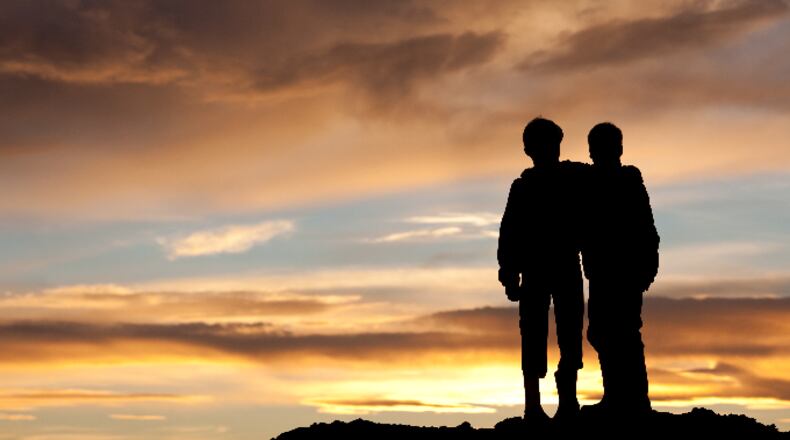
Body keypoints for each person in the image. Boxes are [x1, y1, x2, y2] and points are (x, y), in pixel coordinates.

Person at [497, 117, 587, 423]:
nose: (550, 150)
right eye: (544, 144)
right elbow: (510, 232)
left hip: (565, 265)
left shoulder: (574, 177)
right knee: (533, 334)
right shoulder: (522, 188)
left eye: (553, 143)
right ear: (529, 149)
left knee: (570, 332)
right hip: (535, 269)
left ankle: (568, 402)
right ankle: (533, 405)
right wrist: (509, 272)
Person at [581, 122, 659, 417]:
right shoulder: (589, 179)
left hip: (626, 271)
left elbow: (646, 225)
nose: (596, 153)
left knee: (623, 331)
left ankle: (635, 400)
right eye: (594, 147)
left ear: (618, 149)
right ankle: (616, 396)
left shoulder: (629, 178)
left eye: (602, 146)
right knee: (602, 331)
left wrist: (648, 265)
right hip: (601, 271)